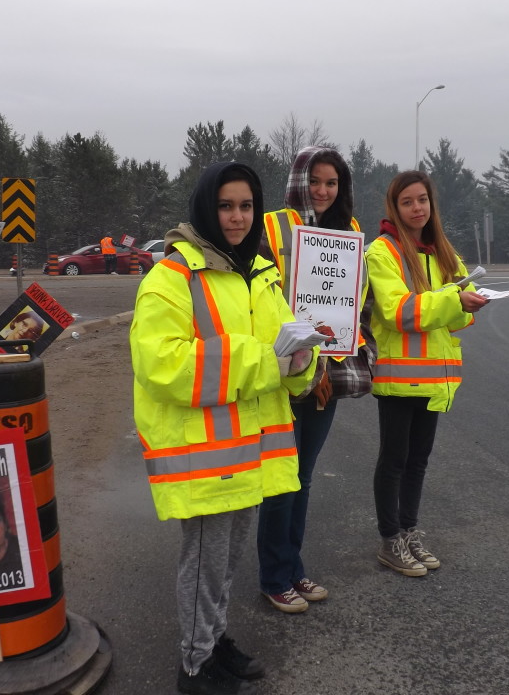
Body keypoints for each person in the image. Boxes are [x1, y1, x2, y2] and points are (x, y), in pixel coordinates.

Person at [130, 161, 318, 695]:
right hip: (205, 455)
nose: (237, 217)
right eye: (225, 206)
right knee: (206, 564)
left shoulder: (258, 271)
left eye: (246, 206)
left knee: (228, 560)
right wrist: (269, 362)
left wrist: (306, 359)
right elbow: (164, 365)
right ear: (204, 208)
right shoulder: (171, 277)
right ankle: (195, 665)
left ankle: (212, 640)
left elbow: (288, 344)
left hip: (249, 451)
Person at [256, 146, 377, 613]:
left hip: (330, 374)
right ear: (299, 182)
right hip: (288, 370)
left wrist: (355, 334)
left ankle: (293, 567)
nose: (324, 191)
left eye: (333, 183)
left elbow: (358, 298)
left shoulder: (350, 233)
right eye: (317, 181)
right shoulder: (273, 227)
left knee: (302, 477)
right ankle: (274, 576)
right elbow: (256, 292)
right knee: (281, 478)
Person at [365, 170, 488, 577]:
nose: (417, 208)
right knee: (395, 460)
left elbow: (457, 321)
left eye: (422, 200)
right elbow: (398, 312)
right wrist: (455, 301)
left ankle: (409, 529)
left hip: (434, 374)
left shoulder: (443, 252)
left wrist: (468, 305)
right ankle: (390, 540)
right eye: (407, 202)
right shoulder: (382, 252)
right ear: (394, 208)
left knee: (418, 460)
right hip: (399, 377)